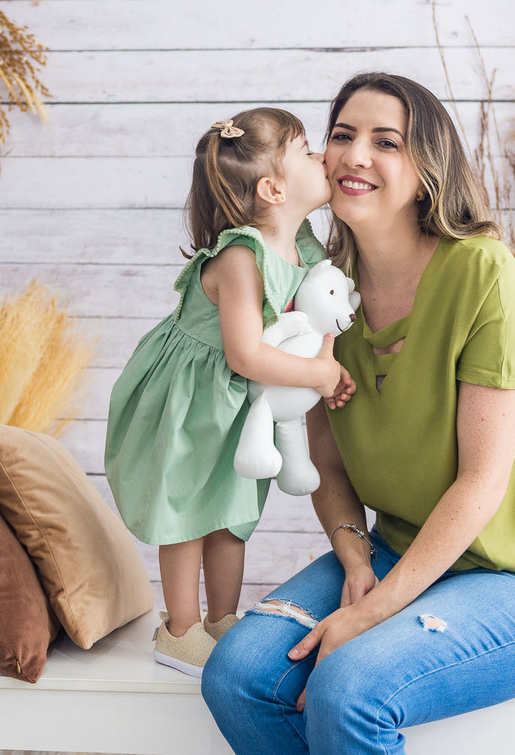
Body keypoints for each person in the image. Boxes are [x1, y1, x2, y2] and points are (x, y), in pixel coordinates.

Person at [201, 73, 515, 754]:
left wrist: (377, 608)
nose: (356, 154)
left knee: (349, 687)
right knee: (236, 674)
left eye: (387, 142)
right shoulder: (317, 291)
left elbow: (481, 483)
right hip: (393, 549)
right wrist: (356, 558)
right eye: (343, 135)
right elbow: (322, 458)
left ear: (426, 174)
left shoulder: (483, 275)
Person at [105, 108, 355, 678]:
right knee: (190, 508)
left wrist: (327, 364)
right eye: (309, 151)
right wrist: (315, 377)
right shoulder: (242, 255)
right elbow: (244, 353)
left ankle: (222, 618)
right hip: (194, 394)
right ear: (273, 188)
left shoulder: (307, 245)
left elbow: (323, 314)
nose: (323, 158)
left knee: (233, 511)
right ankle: (180, 629)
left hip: (242, 402)